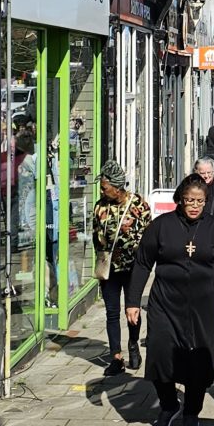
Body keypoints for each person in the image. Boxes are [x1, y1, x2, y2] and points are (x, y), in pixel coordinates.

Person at [127, 172, 214, 426]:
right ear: (180, 200)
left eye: (199, 201)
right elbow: (142, 263)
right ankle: (168, 405)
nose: (194, 206)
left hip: (203, 305)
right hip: (165, 302)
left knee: (199, 359)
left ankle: (191, 412)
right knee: (161, 354)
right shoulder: (162, 226)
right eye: (189, 200)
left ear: (206, 201)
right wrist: (132, 301)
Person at [92, 162, 152, 378]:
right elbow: (95, 237)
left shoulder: (139, 206)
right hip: (110, 269)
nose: (101, 190)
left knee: (132, 309)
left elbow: (149, 238)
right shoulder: (100, 207)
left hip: (134, 267)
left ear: (117, 187)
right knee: (111, 312)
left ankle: (134, 343)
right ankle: (116, 357)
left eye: (104, 187)